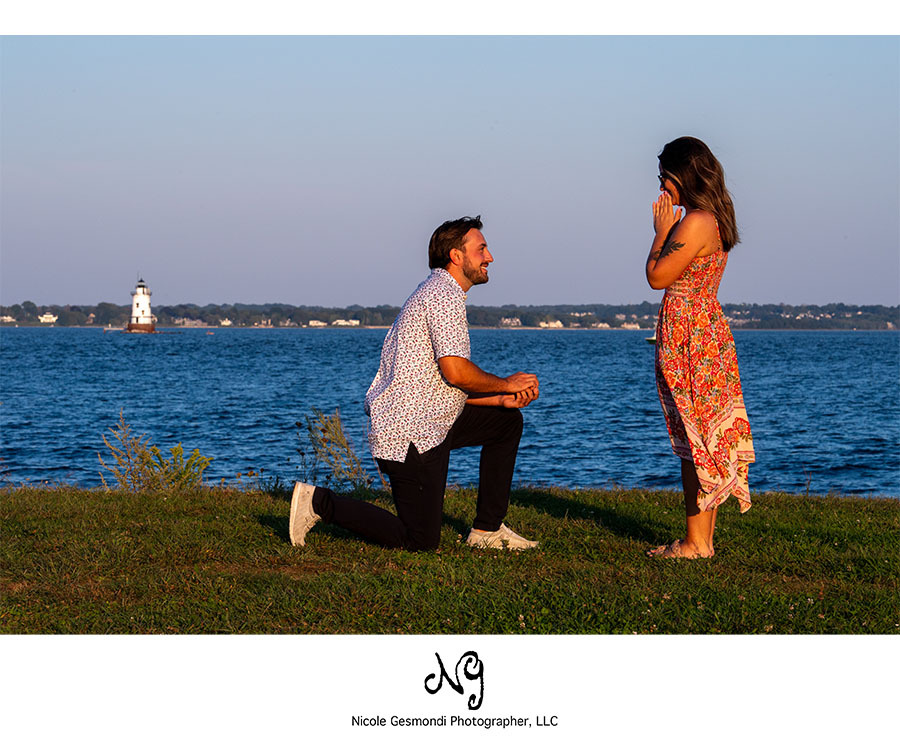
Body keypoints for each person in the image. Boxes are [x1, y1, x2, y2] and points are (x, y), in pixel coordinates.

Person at [290, 215, 541, 551]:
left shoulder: (440, 291)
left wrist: (498, 401)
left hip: (431, 422)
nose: (489, 257)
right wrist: (505, 385)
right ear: (456, 256)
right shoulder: (443, 295)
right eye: (481, 249)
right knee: (420, 540)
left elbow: (437, 390)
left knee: (505, 423)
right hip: (409, 435)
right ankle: (318, 502)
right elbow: (455, 371)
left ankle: (487, 530)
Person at [645, 136, 755, 559]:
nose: (662, 189)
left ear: (681, 176)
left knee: (694, 437)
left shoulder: (693, 223)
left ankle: (695, 542)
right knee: (701, 436)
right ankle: (701, 541)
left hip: (691, 336)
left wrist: (660, 233)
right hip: (704, 330)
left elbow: (658, 276)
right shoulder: (715, 218)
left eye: (664, 179)